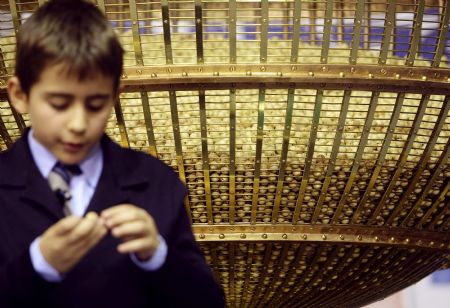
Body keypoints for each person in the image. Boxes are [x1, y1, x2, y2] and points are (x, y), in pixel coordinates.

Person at [0, 0, 224, 307]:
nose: (78, 125)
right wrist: (38, 265)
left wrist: (157, 256)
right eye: (59, 104)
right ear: (20, 95)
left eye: (95, 105)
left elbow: (207, 302)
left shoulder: (154, 182)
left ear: (115, 96)